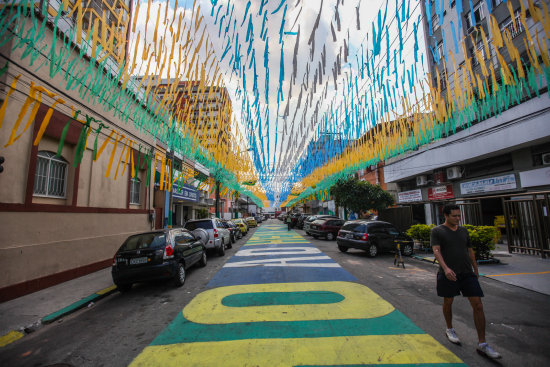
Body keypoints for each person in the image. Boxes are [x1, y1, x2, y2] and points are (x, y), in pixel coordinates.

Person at [430, 204, 501, 360]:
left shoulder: (463, 231)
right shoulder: (437, 231)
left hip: (467, 273)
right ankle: (449, 329)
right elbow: (436, 250)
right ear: (446, 216)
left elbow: (469, 250)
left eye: (458, 215)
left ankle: (482, 344)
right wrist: (446, 269)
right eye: (454, 216)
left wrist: (475, 268)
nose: (457, 218)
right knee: (448, 301)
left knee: (478, 304)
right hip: (448, 273)